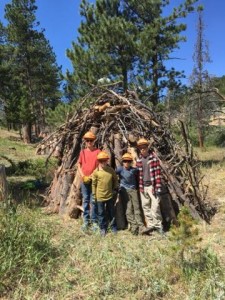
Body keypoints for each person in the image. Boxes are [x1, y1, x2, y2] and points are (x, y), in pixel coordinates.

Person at [136, 138, 164, 234]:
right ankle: (151, 225)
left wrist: (158, 187)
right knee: (145, 206)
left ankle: (159, 226)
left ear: (147, 148)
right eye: (141, 148)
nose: (143, 149)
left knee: (155, 207)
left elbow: (158, 174)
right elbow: (139, 175)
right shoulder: (139, 160)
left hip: (152, 186)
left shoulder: (154, 159)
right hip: (143, 186)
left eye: (144, 147)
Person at [116, 153, 146, 235]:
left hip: (133, 190)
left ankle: (141, 226)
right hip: (124, 191)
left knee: (137, 208)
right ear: (123, 162)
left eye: (128, 161)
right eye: (125, 161)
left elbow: (141, 170)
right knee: (128, 209)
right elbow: (113, 175)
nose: (126, 163)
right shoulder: (120, 170)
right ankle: (134, 226)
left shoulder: (134, 170)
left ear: (131, 162)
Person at [78, 131, 101, 231]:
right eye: (87, 140)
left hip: (94, 180)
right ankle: (86, 221)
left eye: (91, 140)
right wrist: (83, 176)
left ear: (94, 141)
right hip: (84, 180)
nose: (89, 142)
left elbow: (100, 165)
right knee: (86, 200)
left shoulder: (98, 152)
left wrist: (92, 176)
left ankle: (94, 221)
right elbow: (79, 165)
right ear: (85, 141)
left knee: (93, 201)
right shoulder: (82, 152)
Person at [92, 151, 118, 236]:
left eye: (105, 160)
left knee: (111, 212)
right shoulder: (96, 172)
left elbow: (115, 180)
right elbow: (94, 184)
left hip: (109, 196)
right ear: (98, 161)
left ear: (107, 160)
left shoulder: (110, 170)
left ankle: (113, 227)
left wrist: (115, 189)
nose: (103, 162)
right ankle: (103, 228)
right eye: (101, 161)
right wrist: (94, 195)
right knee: (101, 213)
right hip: (99, 197)